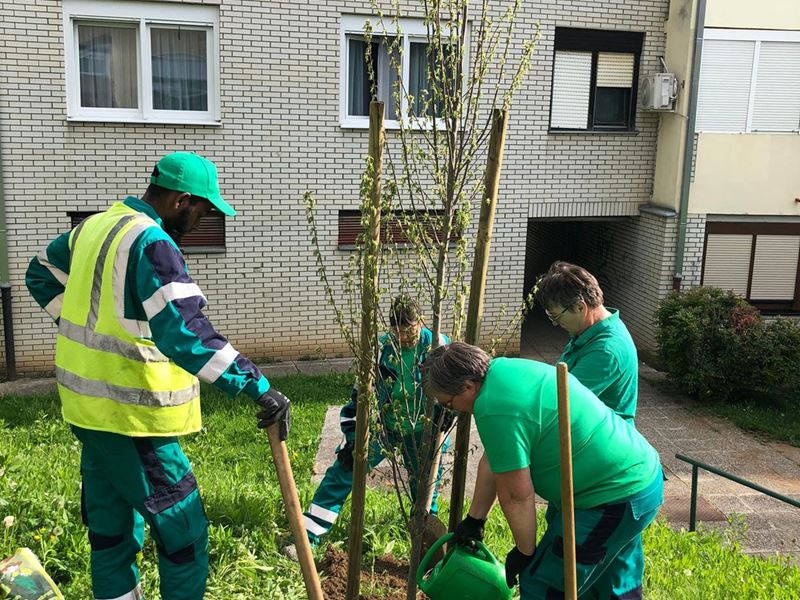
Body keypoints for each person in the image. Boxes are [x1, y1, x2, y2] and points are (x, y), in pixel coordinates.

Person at [25, 152, 290, 600]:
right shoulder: (151, 242)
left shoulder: (94, 226)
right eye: (203, 211)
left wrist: (80, 330)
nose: (201, 221)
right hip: (134, 417)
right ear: (181, 201)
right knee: (183, 533)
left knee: (111, 532)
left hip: (88, 411)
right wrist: (258, 386)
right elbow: (187, 332)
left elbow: (41, 274)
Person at [425, 342, 662, 600]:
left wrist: (525, 553)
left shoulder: (494, 407)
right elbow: (495, 458)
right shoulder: (504, 371)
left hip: (611, 498)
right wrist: (475, 519)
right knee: (613, 584)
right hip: (642, 477)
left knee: (542, 585)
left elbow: (517, 496)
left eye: (448, 404)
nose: (451, 410)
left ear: (468, 387)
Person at [284, 295, 452, 559]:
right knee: (344, 470)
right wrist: (353, 436)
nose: (404, 340)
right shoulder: (381, 349)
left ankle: (424, 549)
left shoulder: (437, 346)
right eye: (398, 333)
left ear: (420, 323)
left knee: (424, 488)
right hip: (384, 424)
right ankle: (309, 536)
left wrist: (447, 415)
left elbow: (451, 389)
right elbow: (359, 396)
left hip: (423, 429)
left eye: (409, 333)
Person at [535, 261, 639, 423]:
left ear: (579, 307)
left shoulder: (606, 351)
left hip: (602, 442)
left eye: (555, 316)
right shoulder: (589, 331)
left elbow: (559, 402)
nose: (555, 323)